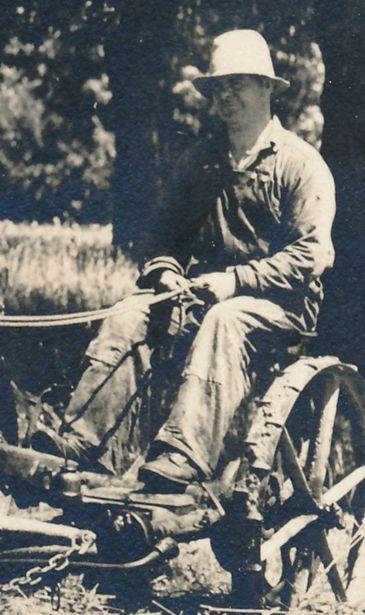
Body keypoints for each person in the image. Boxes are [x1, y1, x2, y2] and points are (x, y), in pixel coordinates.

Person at [33, 30, 335, 493]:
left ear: (268, 88)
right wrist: (168, 272)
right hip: (204, 296)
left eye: (238, 82)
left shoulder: (301, 165)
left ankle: (183, 453)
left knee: (224, 319)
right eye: (217, 86)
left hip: (282, 310)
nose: (225, 95)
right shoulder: (203, 163)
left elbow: (308, 256)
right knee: (132, 311)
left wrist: (234, 281)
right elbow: (161, 237)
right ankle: (77, 440)